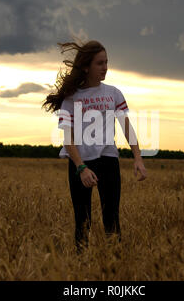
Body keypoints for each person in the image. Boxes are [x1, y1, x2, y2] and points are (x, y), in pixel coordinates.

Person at [42, 39, 147, 254]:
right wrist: (81, 167)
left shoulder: (113, 93)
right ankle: (81, 269)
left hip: (108, 160)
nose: (105, 68)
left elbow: (128, 128)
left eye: (106, 62)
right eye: (100, 63)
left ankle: (114, 268)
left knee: (112, 220)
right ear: (86, 66)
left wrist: (138, 158)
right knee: (83, 221)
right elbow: (68, 140)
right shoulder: (71, 99)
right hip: (80, 164)